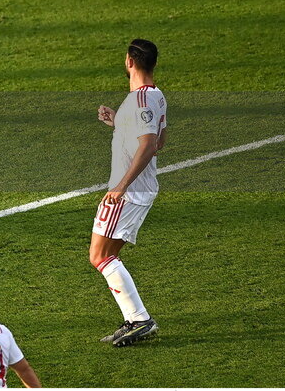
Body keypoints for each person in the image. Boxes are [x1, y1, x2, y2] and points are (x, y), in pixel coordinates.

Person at [91, 39, 167, 347]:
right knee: (107, 256)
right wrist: (118, 124)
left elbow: (150, 145)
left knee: (100, 255)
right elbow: (157, 141)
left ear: (129, 62)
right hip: (135, 189)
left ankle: (140, 320)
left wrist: (121, 186)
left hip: (129, 191)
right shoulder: (154, 96)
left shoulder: (141, 101)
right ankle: (136, 319)